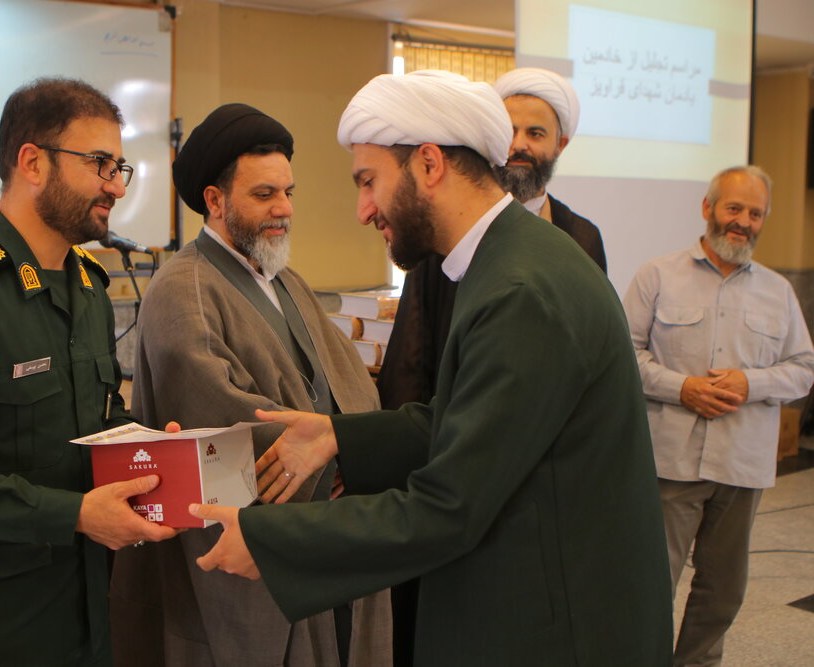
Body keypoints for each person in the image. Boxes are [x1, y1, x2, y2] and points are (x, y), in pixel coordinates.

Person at [186, 71, 673, 665]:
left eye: (369, 181)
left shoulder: (520, 290)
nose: (363, 210)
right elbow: (470, 420)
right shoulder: (507, 259)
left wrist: (271, 541)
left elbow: (451, 507)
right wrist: (338, 435)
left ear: (429, 164)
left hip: (554, 630)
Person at [0, 77, 178, 666]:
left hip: (82, 610)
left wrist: (151, 451)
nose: (117, 186)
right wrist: (76, 514)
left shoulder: (88, 288)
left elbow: (94, 418)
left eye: (119, 167)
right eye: (99, 164)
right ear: (33, 163)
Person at [109, 103, 392, 667]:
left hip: (322, 522)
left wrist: (350, 447)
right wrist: (329, 460)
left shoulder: (285, 279)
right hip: (245, 547)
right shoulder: (182, 287)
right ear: (215, 200)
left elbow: (349, 380)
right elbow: (218, 413)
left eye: (288, 192)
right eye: (264, 195)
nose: (284, 209)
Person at [622, 165, 814, 666]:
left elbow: (804, 370)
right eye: (734, 208)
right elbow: (622, 356)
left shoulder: (778, 291)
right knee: (651, 584)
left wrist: (752, 383)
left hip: (742, 466)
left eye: (756, 213)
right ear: (708, 208)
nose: (743, 222)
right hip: (670, 463)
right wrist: (682, 388)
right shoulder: (657, 275)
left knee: (723, 591)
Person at [377, 67, 605, 414]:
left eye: (535, 133)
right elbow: (412, 351)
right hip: (454, 419)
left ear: (560, 145)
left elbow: (590, 348)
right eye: (509, 131)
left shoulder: (582, 237)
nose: (520, 144)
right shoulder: (444, 227)